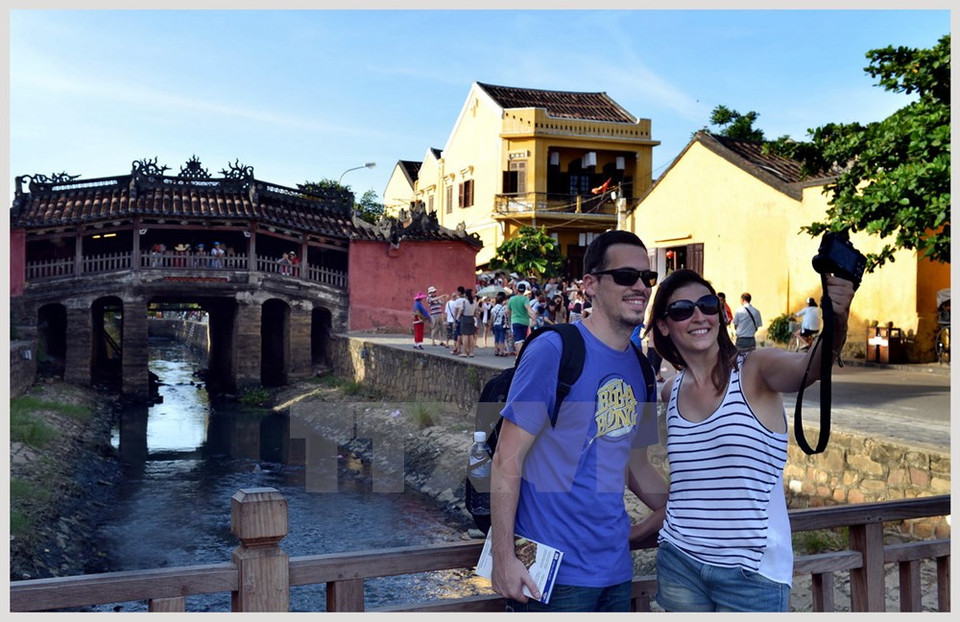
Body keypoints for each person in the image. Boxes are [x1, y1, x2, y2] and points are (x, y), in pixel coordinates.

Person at [647, 269, 854, 612]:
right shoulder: (671, 391)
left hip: (751, 573)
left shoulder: (754, 369)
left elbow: (811, 366)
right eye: (683, 310)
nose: (699, 316)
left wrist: (837, 320)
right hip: (679, 561)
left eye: (707, 305)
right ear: (665, 325)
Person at [490, 230, 668, 612]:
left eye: (647, 278)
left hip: (616, 571)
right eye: (625, 276)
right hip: (552, 578)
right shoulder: (554, 350)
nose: (639, 286)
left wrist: (689, 506)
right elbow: (507, 459)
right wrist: (505, 558)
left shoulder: (642, 370)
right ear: (590, 284)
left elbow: (636, 465)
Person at [507, 282, 536, 355]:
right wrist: (533, 318)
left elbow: (508, 311)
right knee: (522, 340)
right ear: (524, 290)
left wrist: (509, 319)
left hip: (515, 321)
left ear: (517, 290)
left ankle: (519, 357)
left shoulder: (512, 299)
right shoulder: (525, 299)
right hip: (524, 322)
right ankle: (520, 356)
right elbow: (529, 309)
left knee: (518, 341)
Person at [456, 288, 478, 357]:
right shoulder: (475, 302)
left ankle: (464, 352)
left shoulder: (464, 302)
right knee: (471, 336)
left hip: (464, 318)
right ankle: (471, 352)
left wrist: (458, 317)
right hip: (471, 318)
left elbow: (461, 311)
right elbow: (476, 313)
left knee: (465, 336)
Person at [490, 292, 509, 356]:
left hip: (495, 324)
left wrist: (491, 325)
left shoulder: (493, 308)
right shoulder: (504, 308)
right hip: (502, 324)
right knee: (502, 338)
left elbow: (492, 318)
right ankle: (501, 351)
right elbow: (507, 315)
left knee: (496, 338)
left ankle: (496, 351)